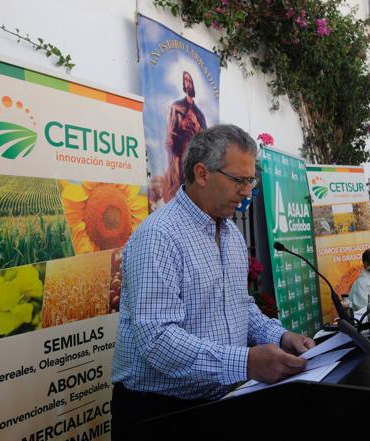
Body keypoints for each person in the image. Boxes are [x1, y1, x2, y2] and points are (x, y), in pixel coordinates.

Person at [111, 124, 314, 439]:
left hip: (219, 403)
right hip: (160, 412)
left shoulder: (230, 233)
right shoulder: (159, 236)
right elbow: (158, 340)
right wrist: (246, 362)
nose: (248, 192)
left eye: (251, 181)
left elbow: (238, 305)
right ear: (202, 174)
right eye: (240, 180)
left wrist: (280, 336)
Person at [163, 70, 207, 203]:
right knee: (181, 178)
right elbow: (171, 130)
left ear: (193, 84)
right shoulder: (177, 107)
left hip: (194, 153)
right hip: (180, 150)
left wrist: (196, 124)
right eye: (185, 80)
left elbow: (205, 137)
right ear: (183, 84)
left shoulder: (199, 113)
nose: (188, 83)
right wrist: (170, 138)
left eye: (189, 80)